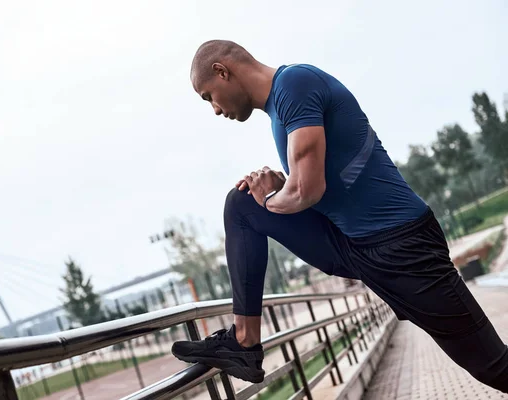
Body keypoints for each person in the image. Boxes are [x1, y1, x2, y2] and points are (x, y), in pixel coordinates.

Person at [170, 40, 508, 391]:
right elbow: (320, 184)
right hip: (356, 244)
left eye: (208, 96)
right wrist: (278, 186)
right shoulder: (278, 108)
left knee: (495, 366)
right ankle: (244, 343)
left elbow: (307, 191)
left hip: (403, 245)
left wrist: (272, 198)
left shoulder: (294, 85)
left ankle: (244, 342)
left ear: (222, 71)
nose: (214, 109)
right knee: (241, 205)